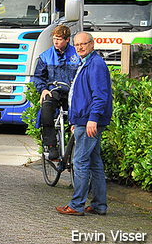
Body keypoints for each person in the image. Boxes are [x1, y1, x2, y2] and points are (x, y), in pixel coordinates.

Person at [56, 32, 113, 216]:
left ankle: (76, 205)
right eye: (77, 44)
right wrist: (75, 119)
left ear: (92, 44)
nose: (80, 47)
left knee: (79, 161)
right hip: (84, 120)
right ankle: (98, 205)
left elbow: (100, 95)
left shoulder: (96, 64)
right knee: (95, 162)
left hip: (90, 121)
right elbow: (80, 95)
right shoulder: (87, 62)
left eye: (84, 44)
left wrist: (92, 119)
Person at [32, 24, 81, 160]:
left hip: (72, 93)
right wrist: (43, 89)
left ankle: (77, 147)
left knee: (78, 114)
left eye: (59, 39)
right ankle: (51, 146)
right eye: (54, 38)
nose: (56, 42)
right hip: (53, 92)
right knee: (46, 109)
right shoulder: (45, 56)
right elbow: (37, 77)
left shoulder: (77, 55)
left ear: (67, 40)